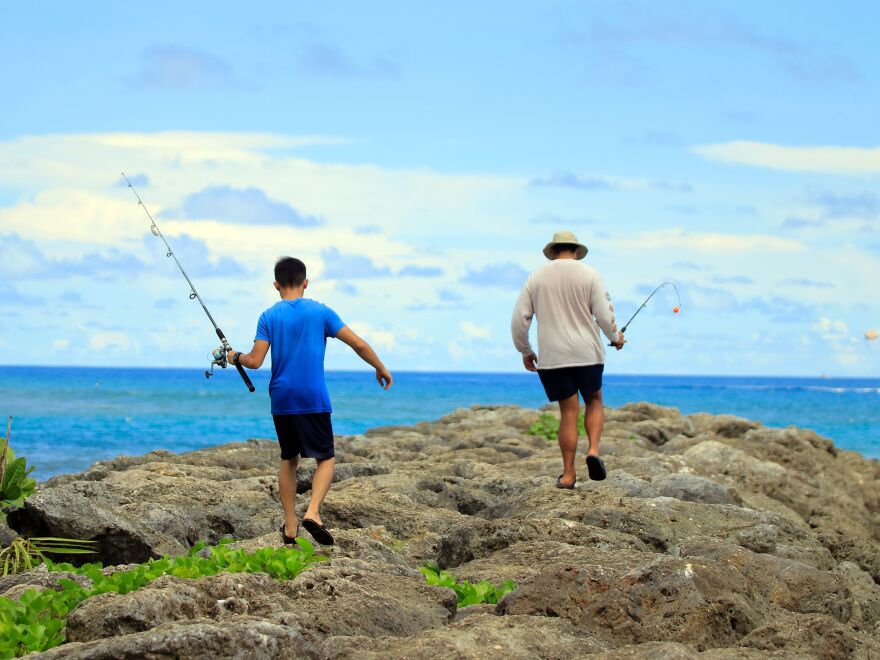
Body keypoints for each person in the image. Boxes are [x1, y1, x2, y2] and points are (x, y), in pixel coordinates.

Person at [227, 256, 393, 546]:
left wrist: (233, 357)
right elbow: (359, 344)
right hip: (312, 396)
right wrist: (379, 366)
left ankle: (290, 525)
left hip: (281, 398)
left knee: (288, 459)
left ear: (276, 285)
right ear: (306, 282)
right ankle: (313, 512)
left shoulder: (268, 316)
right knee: (325, 458)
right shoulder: (321, 312)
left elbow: (254, 361)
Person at [510, 231, 624, 488]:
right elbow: (604, 315)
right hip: (587, 353)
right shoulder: (590, 274)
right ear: (575, 251)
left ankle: (569, 474)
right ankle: (593, 450)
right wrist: (616, 337)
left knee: (568, 413)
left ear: (553, 251)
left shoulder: (536, 277)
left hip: (553, 356)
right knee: (594, 400)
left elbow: (519, 319)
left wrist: (525, 350)